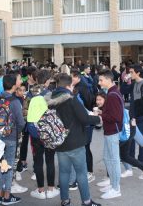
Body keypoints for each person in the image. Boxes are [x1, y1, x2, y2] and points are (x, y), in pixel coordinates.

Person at [45, 73, 102, 206]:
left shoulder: (50, 99)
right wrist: (98, 119)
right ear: (69, 85)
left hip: (59, 141)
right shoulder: (71, 99)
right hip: (75, 141)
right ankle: (86, 202)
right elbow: (84, 118)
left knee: (64, 172)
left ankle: (65, 201)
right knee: (81, 173)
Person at [27, 70, 58, 200]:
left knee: (38, 161)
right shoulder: (50, 94)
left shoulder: (30, 94)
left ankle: (40, 190)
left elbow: (26, 112)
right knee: (50, 160)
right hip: (48, 132)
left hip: (34, 132)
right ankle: (51, 189)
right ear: (46, 81)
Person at [0, 74, 26, 204]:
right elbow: (21, 122)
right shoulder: (15, 101)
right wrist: (18, 131)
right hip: (11, 137)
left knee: (1, 165)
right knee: (8, 167)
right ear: (14, 86)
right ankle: (7, 196)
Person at [98, 69, 122, 199]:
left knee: (113, 160)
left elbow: (116, 116)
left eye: (101, 80)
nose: (99, 82)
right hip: (110, 131)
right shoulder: (112, 92)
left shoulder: (112, 95)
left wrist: (100, 114)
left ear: (108, 79)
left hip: (112, 131)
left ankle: (116, 188)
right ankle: (112, 183)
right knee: (108, 158)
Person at [128, 64, 143, 163]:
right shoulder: (133, 83)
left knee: (141, 140)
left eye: (131, 72)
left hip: (139, 116)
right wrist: (126, 82)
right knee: (131, 138)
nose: (130, 74)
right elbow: (123, 90)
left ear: (138, 73)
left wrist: (137, 115)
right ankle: (132, 159)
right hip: (132, 115)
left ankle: (140, 160)